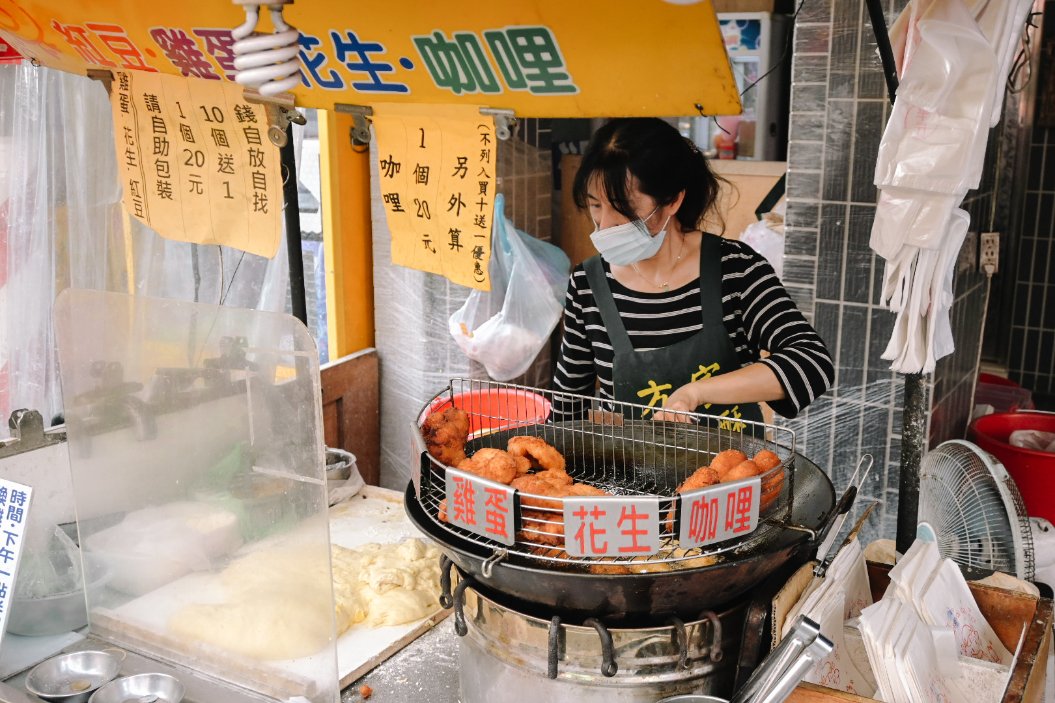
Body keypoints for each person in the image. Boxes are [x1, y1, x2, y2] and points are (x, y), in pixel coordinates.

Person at [552, 118, 834, 426]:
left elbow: (811, 362)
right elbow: (568, 408)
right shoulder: (587, 285)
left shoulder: (734, 269)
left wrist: (696, 392)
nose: (605, 224)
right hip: (627, 471)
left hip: (731, 471)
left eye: (621, 207)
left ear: (672, 200)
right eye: (595, 206)